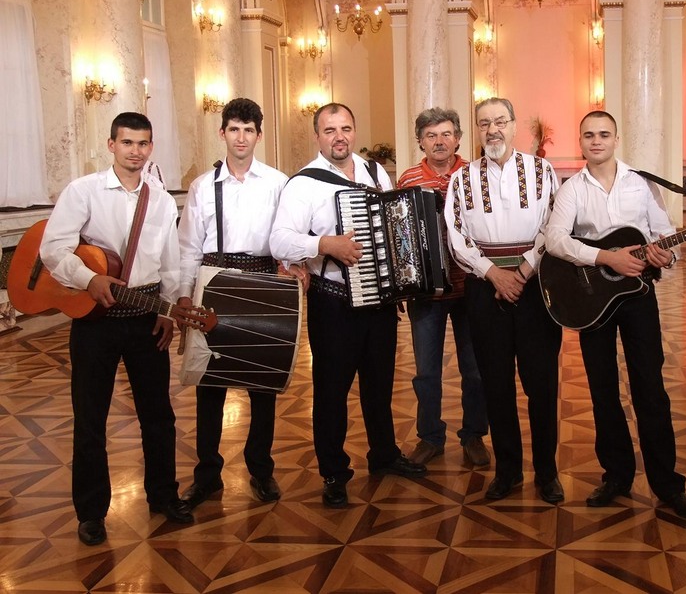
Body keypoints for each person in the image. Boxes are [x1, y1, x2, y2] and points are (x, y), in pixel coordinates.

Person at [39, 112, 193, 546]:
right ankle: (91, 513)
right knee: (91, 419)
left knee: (158, 416)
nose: (135, 151)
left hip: (146, 315)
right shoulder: (83, 191)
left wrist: (167, 311)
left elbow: (170, 262)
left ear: (151, 147)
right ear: (111, 145)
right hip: (96, 321)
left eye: (143, 144)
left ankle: (163, 495)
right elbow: (53, 249)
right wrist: (89, 278)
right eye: (127, 143)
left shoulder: (161, 200)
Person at [543, 111, 686, 518]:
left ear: (616, 139)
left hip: (638, 296)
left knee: (651, 388)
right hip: (591, 300)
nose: (596, 141)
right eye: (589, 135)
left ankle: (667, 484)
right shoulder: (572, 189)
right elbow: (555, 239)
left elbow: (665, 233)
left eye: (604, 134)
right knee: (603, 389)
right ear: (581, 142)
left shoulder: (641, 183)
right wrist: (606, 257)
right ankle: (616, 475)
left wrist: (667, 254)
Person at [269, 102, 426, 509]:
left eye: (345, 129)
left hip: (379, 301)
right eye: (329, 130)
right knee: (331, 391)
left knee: (380, 384)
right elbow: (279, 240)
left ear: (354, 132)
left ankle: (384, 454)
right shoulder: (303, 183)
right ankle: (334, 472)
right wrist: (324, 244)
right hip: (333, 301)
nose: (339, 137)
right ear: (317, 136)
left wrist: (402, 277)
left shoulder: (376, 173)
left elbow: (393, 228)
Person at [177, 98, 303, 508]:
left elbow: (288, 236)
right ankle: (207, 475)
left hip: (263, 282)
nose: (241, 137)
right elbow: (188, 247)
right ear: (223, 133)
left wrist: (293, 267)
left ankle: (261, 470)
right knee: (209, 385)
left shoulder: (278, 183)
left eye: (249, 130)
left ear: (259, 135)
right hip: (213, 282)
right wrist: (184, 296)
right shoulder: (203, 185)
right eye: (234, 129)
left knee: (262, 385)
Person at [443, 97, 563, 503]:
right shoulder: (462, 179)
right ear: (476, 131)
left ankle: (547, 473)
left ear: (513, 126)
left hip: (535, 288)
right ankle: (508, 471)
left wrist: (524, 270)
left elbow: (553, 226)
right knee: (495, 383)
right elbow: (456, 235)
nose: (492, 130)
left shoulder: (542, 171)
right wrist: (493, 273)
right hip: (485, 288)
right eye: (484, 123)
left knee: (541, 385)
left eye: (500, 121)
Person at [396, 108, 490, 469]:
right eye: (431, 135)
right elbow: (399, 236)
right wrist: (400, 285)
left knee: (475, 369)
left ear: (459, 139)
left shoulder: (474, 174)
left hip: (471, 287)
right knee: (426, 371)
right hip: (426, 293)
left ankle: (474, 435)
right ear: (420, 141)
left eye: (447, 134)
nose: (439, 142)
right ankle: (430, 437)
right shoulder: (407, 178)